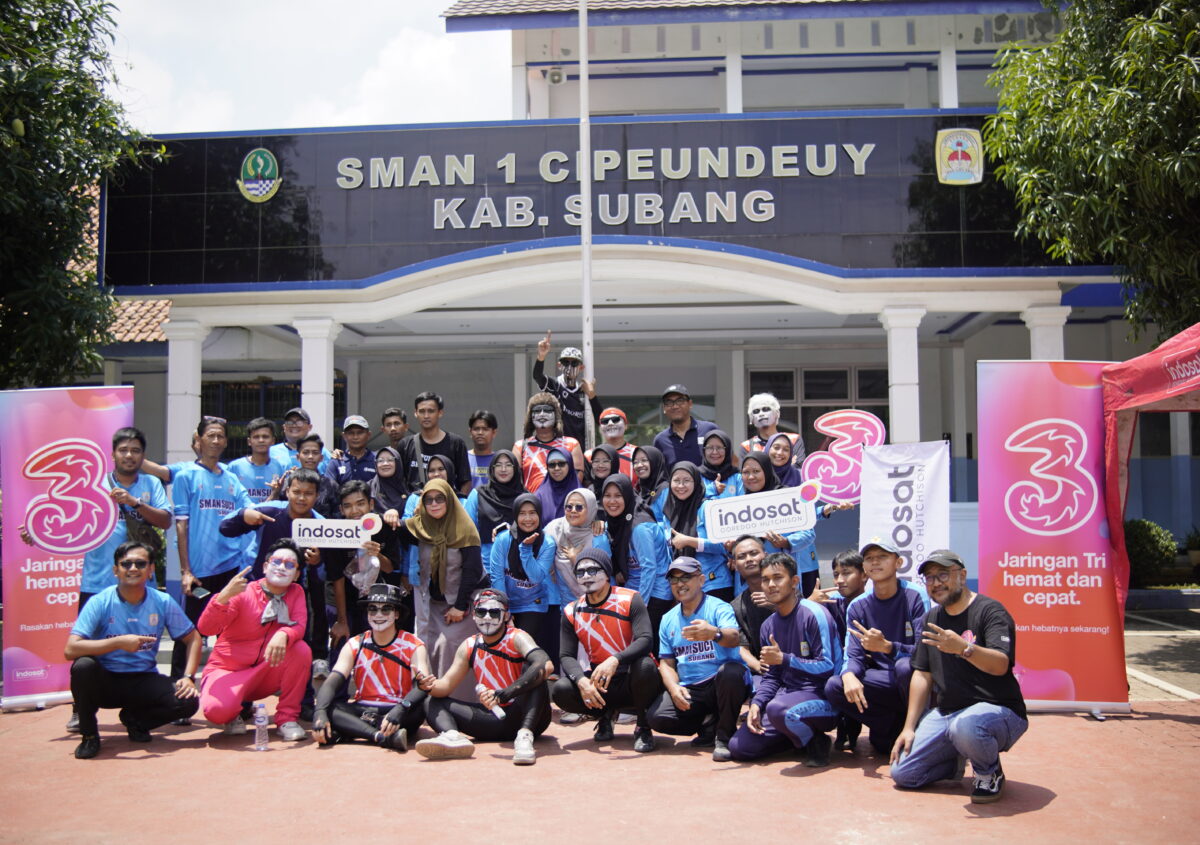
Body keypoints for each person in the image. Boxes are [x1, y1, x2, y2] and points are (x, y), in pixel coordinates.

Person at [890, 550, 1029, 803]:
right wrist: (908, 727)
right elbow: (922, 674)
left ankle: (989, 773)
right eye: (929, 578)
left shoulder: (990, 611)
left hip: (999, 709)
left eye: (943, 574)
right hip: (949, 712)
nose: (936, 583)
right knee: (904, 774)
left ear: (962, 576)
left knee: (966, 727)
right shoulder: (932, 618)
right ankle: (956, 761)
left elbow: (1000, 665)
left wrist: (964, 649)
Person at [66, 540, 202, 759]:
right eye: (126, 564)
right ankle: (89, 735)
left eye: (140, 563)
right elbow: (71, 649)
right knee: (82, 666)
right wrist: (118, 643)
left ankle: (136, 721)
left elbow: (193, 638)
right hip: (105, 682)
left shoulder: (162, 601)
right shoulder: (99, 601)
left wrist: (188, 677)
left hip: (142, 679)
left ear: (151, 570)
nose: (133, 569)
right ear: (115, 570)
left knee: (188, 701)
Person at [728, 553, 840, 766]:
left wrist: (785, 659)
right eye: (765, 579)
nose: (771, 585)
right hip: (785, 700)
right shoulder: (768, 626)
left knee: (778, 709)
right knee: (739, 748)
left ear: (794, 581)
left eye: (778, 578)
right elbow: (772, 676)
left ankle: (817, 740)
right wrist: (757, 704)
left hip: (821, 698)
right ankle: (796, 737)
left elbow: (828, 666)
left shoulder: (814, 614)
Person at [416, 589, 552, 765]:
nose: (487, 617)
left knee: (538, 673)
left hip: (524, 714)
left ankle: (525, 737)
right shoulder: (469, 645)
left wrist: (504, 694)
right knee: (432, 701)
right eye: (481, 612)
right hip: (491, 718)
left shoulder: (516, 637)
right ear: (474, 615)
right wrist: (426, 685)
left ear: (506, 616)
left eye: (494, 612)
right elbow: (446, 685)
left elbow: (546, 664)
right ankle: (452, 737)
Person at [824, 538, 931, 756]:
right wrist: (849, 674)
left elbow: (925, 653)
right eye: (869, 558)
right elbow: (853, 655)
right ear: (864, 567)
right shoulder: (858, 605)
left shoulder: (915, 595)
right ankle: (891, 726)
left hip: (912, 677)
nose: (875, 562)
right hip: (882, 679)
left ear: (898, 562)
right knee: (835, 685)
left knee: (904, 666)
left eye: (882, 557)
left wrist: (889, 647)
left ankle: (920, 728)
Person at [196, 540, 311, 741]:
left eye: (289, 564)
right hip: (229, 670)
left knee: (301, 650)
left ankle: (287, 719)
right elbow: (206, 628)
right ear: (265, 566)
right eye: (277, 562)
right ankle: (232, 715)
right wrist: (223, 597)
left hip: (266, 670)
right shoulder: (243, 592)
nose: (282, 567)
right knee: (216, 711)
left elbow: (299, 626)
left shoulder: (296, 592)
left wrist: (284, 633)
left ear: (296, 575)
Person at [170, 416, 254, 680]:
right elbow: (181, 525)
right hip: (199, 574)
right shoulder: (185, 476)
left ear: (226, 442)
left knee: (229, 631)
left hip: (230, 570)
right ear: (199, 439)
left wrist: (276, 497)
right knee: (191, 631)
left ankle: (227, 686)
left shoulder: (231, 479)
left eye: (220, 436)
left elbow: (250, 511)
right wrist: (186, 570)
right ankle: (179, 688)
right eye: (211, 435)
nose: (216, 441)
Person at [553, 548, 662, 752]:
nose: (586, 576)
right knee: (561, 690)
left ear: (606, 573)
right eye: (580, 572)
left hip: (632, 678)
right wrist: (582, 681)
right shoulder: (571, 611)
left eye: (593, 570)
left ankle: (643, 726)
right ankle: (605, 714)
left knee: (646, 666)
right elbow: (566, 656)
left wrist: (615, 659)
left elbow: (646, 640)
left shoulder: (630, 599)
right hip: (601, 683)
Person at [648, 557, 747, 762]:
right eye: (674, 580)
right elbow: (666, 664)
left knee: (731, 672)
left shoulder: (719, 607)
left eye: (686, 577)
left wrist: (714, 634)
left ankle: (725, 736)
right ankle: (708, 723)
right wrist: (674, 689)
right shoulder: (667, 619)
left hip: (720, 681)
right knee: (657, 718)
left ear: (701, 580)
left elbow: (734, 638)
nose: (679, 584)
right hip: (692, 688)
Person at [311, 583, 430, 752]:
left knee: (423, 707)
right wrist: (319, 713)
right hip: (363, 710)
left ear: (396, 614)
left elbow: (422, 686)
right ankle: (381, 737)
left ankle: (354, 731)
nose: (378, 615)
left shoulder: (414, 644)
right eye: (372, 609)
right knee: (329, 708)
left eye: (386, 609)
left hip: (398, 711)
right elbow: (332, 682)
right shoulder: (355, 643)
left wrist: (401, 709)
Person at [398, 479, 486, 701]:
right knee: (430, 647)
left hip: (462, 603)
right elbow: (389, 531)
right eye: (429, 500)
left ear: (450, 500)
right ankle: (434, 701)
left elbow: (472, 571)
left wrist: (460, 607)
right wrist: (388, 515)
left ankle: (460, 701)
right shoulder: (420, 527)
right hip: (435, 604)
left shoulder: (464, 529)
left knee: (451, 647)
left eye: (440, 499)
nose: (434, 504)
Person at [324, 480, 403, 654]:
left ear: (371, 504)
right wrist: (342, 621)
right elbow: (337, 578)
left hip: (373, 597)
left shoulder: (384, 526)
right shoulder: (335, 531)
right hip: (340, 598)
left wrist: (377, 555)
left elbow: (390, 567)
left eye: (360, 504)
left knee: (372, 651)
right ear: (341, 510)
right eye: (348, 506)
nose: (355, 511)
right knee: (342, 646)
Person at [600, 474, 671, 641]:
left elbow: (649, 568)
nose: (612, 501)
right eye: (607, 496)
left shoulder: (639, 527)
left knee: (642, 644)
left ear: (627, 496)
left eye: (618, 496)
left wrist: (641, 606)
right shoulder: (618, 521)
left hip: (655, 593)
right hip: (634, 588)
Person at [809, 549, 867, 751]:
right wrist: (809, 603)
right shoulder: (831, 601)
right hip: (838, 665)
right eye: (836, 574)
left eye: (847, 573)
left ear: (864, 575)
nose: (840, 580)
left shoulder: (873, 602)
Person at [487, 494, 557, 639]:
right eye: (522, 513)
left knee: (521, 642)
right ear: (515, 515)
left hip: (533, 603)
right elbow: (497, 576)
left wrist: (526, 550)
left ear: (539, 514)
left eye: (532, 513)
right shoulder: (503, 539)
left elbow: (536, 577)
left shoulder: (547, 543)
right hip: (506, 601)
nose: (528, 519)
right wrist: (504, 608)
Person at [663, 462, 733, 600]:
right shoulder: (668, 512)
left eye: (686, 480)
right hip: (684, 586)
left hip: (714, 584)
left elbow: (724, 546)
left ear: (696, 482)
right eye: (676, 480)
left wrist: (689, 541)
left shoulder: (708, 507)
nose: (681, 486)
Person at [533, 330, 601, 447]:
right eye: (565, 362)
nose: (569, 367)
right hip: (558, 449)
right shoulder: (555, 385)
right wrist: (541, 356)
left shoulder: (583, 391)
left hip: (579, 450)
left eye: (574, 363)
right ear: (559, 365)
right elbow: (537, 376)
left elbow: (601, 420)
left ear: (581, 367)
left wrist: (592, 396)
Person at [463, 449, 525, 575]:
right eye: (498, 465)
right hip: (485, 567)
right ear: (492, 468)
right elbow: (467, 533)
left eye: (508, 465)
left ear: (515, 468)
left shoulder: (525, 498)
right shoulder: (478, 494)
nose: (503, 469)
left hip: (518, 569)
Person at [399, 392, 473, 496]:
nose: (426, 416)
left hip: (447, 502)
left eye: (431, 411)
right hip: (415, 504)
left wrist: (457, 502)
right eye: (422, 411)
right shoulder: (405, 445)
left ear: (440, 413)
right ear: (415, 413)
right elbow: (399, 480)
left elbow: (465, 480)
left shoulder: (456, 443)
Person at [513, 392, 584, 492]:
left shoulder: (571, 444)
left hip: (563, 500)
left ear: (556, 415)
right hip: (530, 500)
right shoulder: (520, 447)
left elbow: (577, 479)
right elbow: (514, 480)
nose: (542, 414)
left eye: (547, 410)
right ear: (530, 416)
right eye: (537, 411)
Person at [729, 535, 775, 679]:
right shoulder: (735, 607)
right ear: (734, 565)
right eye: (742, 556)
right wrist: (758, 666)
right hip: (762, 675)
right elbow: (741, 647)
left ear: (766, 556)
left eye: (754, 553)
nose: (749, 559)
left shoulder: (789, 592)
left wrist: (778, 606)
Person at [652, 384, 718, 466]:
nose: (675, 406)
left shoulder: (709, 430)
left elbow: (729, 462)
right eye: (669, 402)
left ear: (690, 404)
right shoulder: (660, 440)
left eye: (680, 401)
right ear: (664, 408)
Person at [227, 417, 286, 503]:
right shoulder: (235, 467)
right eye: (256, 437)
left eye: (265, 437)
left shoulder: (279, 466)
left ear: (273, 441)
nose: (261, 440)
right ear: (249, 441)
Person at [738, 393, 804, 465]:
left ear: (777, 413)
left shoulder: (793, 440)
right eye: (756, 411)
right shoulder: (747, 446)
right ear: (751, 418)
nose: (761, 414)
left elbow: (798, 467)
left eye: (766, 409)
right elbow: (746, 471)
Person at [270, 407, 332, 474]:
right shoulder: (271, 452)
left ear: (310, 427)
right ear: (284, 427)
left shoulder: (322, 452)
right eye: (290, 422)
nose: (294, 425)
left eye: (299, 422)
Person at [326, 415, 377, 485]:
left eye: (360, 432)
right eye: (351, 433)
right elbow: (329, 489)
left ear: (368, 435)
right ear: (344, 436)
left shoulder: (377, 460)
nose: (355, 437)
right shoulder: (337, 462)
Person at [533, 446, 581, 522]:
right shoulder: (539, 496)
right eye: (552, 465)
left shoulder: (581, 494)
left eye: (561, 464)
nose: (556, 468)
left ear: (570, 464)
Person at [596, 406, 636, 479]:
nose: (610, 423)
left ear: (626, 425)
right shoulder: (590, 455)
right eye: (605, 421)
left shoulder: (637, 453)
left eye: (615, 420)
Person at [631, 444, 670, 518]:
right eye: (635, 462)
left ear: (655, 462)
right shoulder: (638, 491)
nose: (639, 465)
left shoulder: (666, 491)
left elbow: (669, 521)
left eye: (644, 460)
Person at [369, 446, 409, 516]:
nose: (385, 464)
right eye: (380, 460)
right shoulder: (369, 489)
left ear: (397, 463)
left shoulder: (409, 488)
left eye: (390, 460)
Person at [698, 429, 738, 499]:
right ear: (704, 451)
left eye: (719, 448)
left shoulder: (737, 477)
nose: (715, 452)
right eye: (710, 448)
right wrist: (712, 489)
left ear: (727, 450)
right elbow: (691, 500)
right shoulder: (696, 476)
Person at [466, 410, 499, 488]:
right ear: (470, 432)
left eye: (485, 429)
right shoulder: (463, 458)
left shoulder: (499, 460)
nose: (480, 432)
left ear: (494, 433)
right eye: (476, 429)